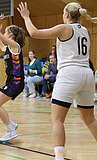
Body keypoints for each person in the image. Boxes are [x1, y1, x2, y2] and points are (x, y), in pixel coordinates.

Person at [18, 2, 97, 160]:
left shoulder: (64, 28)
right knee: (90, 119)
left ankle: (59, 157)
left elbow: (34, 33)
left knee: (57, 119)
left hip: (69, 74)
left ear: (67, 15)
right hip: (87, 74)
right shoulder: (86, 31)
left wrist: (26, 17)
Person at [0, 14, 25, 142]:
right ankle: (11, 124)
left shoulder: (15, 46)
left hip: (16, 82)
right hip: (10, 81)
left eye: (6, 31)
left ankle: (10, 131)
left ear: (11, 35)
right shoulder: (8, 49)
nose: (4, 33)